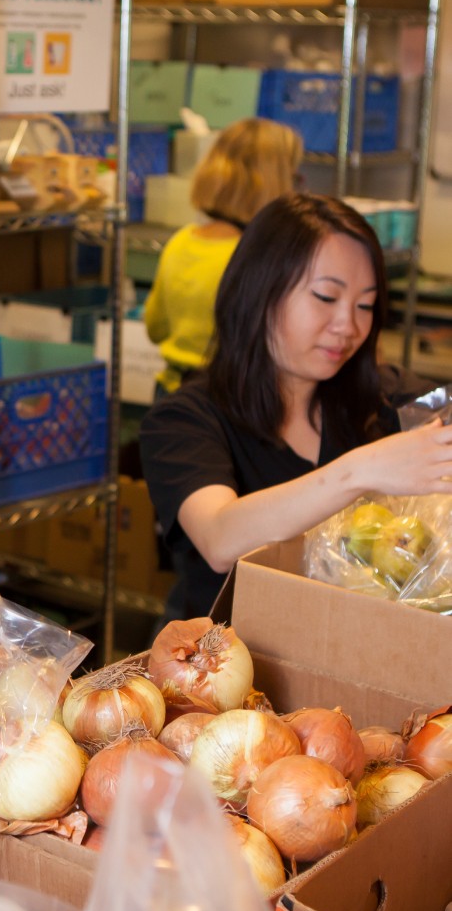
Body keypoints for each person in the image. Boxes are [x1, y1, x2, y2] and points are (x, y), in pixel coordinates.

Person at [139, 192, 452, 624]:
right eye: (326, 297)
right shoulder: (184, 420)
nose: (349, 325)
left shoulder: (383, 398)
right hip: (237, 668)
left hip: (369, 656)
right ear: (260, 291)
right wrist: (362, 470)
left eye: (365, 305)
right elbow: (220, 537)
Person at [143, 118, 303, 396]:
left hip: (172, 392)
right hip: (230, 400)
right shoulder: (259, 257)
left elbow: (155, 328)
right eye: (294, 176)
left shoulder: (180, 240)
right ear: (279, 181)